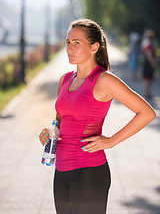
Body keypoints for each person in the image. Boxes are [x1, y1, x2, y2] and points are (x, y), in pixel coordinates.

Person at [39, 19, 156, 214]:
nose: (69, 48)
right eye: (68, 42)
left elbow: (146, 112)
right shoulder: (65, 79)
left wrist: (111, 141)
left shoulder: (104, 80)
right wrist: (48, 133)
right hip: (61, 170)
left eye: (77, 42)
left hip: (88, 172)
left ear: (94, 47)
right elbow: (60, 121)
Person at [141, 30, 157, 99]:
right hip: (148, 64)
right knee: (148, 79)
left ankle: (147, 93)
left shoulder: (146, 44)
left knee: (148, 79)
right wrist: (154, 64)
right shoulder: (149, 46)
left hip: (146, 63)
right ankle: (147, 93)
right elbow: (149, 56)